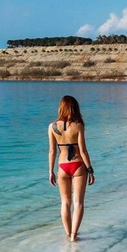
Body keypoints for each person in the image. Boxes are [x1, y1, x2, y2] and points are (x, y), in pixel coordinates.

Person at [48, 96, 95, 241]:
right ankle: (74, 235)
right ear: (74, 108)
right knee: (78, 202)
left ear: (61, 107)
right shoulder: (78, 126)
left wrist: (50, 171)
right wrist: (90, 169)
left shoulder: (52, 127)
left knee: (65, 202)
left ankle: (68, 234)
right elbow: (83, 151)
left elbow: (52, 151)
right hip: (78, 165)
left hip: (62, 167)